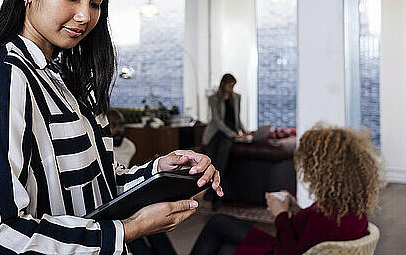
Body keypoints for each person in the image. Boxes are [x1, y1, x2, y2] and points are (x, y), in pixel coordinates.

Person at [0, 0, 224, 254]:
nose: (85, 16)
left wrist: (159, 172)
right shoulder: (8, 75)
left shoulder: (66, 76)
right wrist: (130, 229)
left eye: (96, 3)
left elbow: (98, 184)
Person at [189, 124, 382, 255]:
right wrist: (295, 208)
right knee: (220, 228)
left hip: (280, 249)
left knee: (219, 230)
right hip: (286, 244)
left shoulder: (323, 216)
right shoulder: (350, 210)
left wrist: (281, 214)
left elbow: (287, 250)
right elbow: (309, 228)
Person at [107, 109, 178, 255]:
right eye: (113, 125)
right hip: (112, 206)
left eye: (121, 125)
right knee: (136, 237)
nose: (118, 129)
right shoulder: (103, 149)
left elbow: (125, 171)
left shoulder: (129, 145)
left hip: (127, 198)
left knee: (155, 225)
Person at [201, 73, 248, 210]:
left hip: (230, 135)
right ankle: (212, 190)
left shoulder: (237, 98)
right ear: (224, 84)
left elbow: (237, 117)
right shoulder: (214, 99)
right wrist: (233, 134)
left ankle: (214, 194)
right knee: (212, 161)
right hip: (216, 133)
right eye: (230, 85)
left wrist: (243, 132)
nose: (232, 88)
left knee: (221, 161)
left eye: (233, 85)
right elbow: (217, 121)